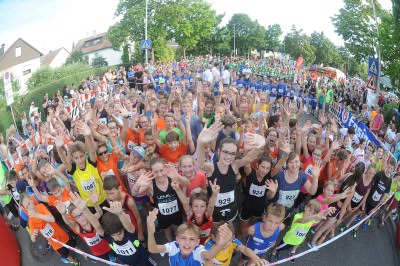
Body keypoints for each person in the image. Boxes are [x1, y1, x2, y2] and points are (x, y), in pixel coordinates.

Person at [197, 121, 265, 223]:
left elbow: (248, 159)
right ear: (219, 151)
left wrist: (260, 145)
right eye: (226, 152)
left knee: (229, 230)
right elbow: (201, 164)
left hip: (231, 209)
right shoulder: (212, 168)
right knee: (215, 230)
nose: (229, 157)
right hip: (215, 211)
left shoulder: (234, 166)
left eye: (232, 153)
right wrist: (200, 143)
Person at [147, 208, 233, 266]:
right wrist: (150, 231)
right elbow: (153, 249)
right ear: (177, 239)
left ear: (197, 242)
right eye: (183, 238)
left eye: (192, 239)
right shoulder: (173, 247)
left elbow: (208, 255)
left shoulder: (198, 251)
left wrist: (220, 245)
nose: (187, 242)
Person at [55, 191, 115, 262]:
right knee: (106, 259)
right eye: (77, 217)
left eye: (82, 214)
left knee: (113, 253)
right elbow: (68, 222)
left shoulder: (92, 219)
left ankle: (112, 257)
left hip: (107, 245)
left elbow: (100, 213)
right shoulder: (78, 228)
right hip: (98, 252)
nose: (81, 218)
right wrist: (63, 214)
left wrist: (95, 204)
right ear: (74, 219)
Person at [21, 194, 80, 265]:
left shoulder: (41, 207)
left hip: (61, 235)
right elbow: (33, 239)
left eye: (29, 203)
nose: (29, 207)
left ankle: (84, 254)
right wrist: (33, 235)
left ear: (32, 200)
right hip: (55, 243)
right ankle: (75, 262)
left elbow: (52, 219)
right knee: (66, 255)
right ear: (26, 209)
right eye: (27, 207)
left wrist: (37, 215)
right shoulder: (31, 221)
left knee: (74, 245)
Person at [270, 199, 335, 263]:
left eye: (313, 212)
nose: (310, 213)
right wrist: (315, 216)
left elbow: (320, 217)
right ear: (305, 207)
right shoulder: (298, 216)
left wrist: (326, 211)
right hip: (288, 240)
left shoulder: (312, 219)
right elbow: (303, 221)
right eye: (310, 210)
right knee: (279, 248)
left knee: (296, 245)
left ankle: (292, 251)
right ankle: (273, 253)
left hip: (299, 239)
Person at [101, 201, 151, 265]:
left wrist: (120, 213)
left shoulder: (129, 233)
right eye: (113, 235)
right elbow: (96, 225)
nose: (118, 238)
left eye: (119, 233)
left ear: (123, 228)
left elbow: (129, 226)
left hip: (144, 261)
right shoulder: (107, 236)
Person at [102, 175, 144, 242]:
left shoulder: (129, 201)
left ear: (119, 189)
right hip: (122, 230)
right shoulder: (109, 199)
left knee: (138, 243)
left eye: (112, 193)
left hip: (133, 228)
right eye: (107, 193)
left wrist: (140, 233)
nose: (110, 197)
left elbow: (138, 218)